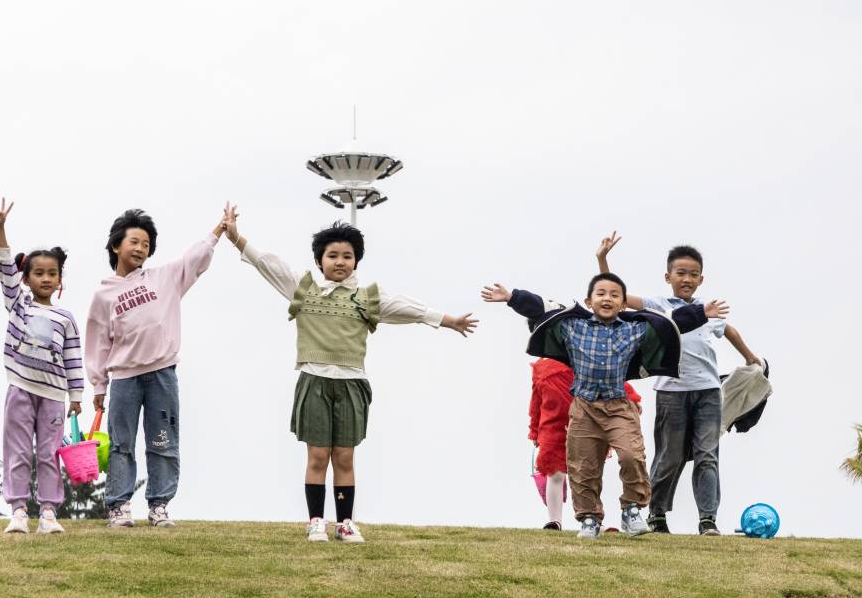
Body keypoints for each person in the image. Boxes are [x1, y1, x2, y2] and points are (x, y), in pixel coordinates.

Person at [222, 204, 477, 542]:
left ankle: (345, 522)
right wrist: (237, 238)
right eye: (332, 255)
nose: (339, 262)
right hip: (314, 380)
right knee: (317, 455)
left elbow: (407, 308)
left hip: (352, 383)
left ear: (356, 261)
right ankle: (316, 521)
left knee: (344, 456)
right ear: (319, 260)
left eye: (347, 256)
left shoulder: (367, 297)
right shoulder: (303, 287)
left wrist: (448, 321)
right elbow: (269, 264)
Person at [481, 274, 726, 539]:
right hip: (584, 407)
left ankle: (631, 509)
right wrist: (511, 297)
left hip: (619, 406)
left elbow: (670, 321)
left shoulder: (633, 329)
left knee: (632, 456)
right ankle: (589, 518)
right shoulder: (573, 326)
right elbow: (542, 307)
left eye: (614, 295)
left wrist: (702, 312)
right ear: (589, 300)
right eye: (600, 293)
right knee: (583, 465)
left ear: (623, 304)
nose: (607, 298)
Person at [597, 233, 762, 535]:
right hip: (671, 392)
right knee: (669, 457)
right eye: (681, 273)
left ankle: (707, 519)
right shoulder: (657, 305)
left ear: (701, 279)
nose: (687, 278)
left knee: (707, 455)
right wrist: (602, 260)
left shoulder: (708, 308)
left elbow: (731, 332)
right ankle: (657, 514)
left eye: (693, 274)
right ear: (668, 276)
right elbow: (616, 298)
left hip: (708, 392)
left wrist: (752, 359)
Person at [84, 207, 222, 528]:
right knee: (121, 443)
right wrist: (98, 386)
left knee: (163, 440)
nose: (140, 248)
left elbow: (193, 260)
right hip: (123, 378)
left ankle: (159, 505)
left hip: (162, 373)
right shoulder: (104, 294)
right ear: (116, 246)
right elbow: (97, 343)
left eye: (146, 244)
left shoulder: (164, 278)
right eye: (134, 241)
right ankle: (118, 506)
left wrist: (217, 231)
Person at [0, 198, 83, 534]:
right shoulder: (19, 304)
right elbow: (6, 272)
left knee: (49, 453)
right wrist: (1, 230)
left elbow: (73, 358)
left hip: (53, 395)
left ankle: (48, 512)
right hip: (20, 387)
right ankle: (18, 510)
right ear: (27, 278)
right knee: (17, 451)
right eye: (39, 273)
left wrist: (76, 395)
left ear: (60, 279)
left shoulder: (65, 318)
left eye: (53, 273)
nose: (46, 278)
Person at [530, 358, 641, 530]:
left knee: (587, 473)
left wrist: (630, 395)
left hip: (586, 423)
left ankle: (593, 520)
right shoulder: (542, 368)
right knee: (555, 473)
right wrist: (535, 431)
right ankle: (555, 521)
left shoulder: (584, 358)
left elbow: (610, 378)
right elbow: (536, 402)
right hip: (553, 428)